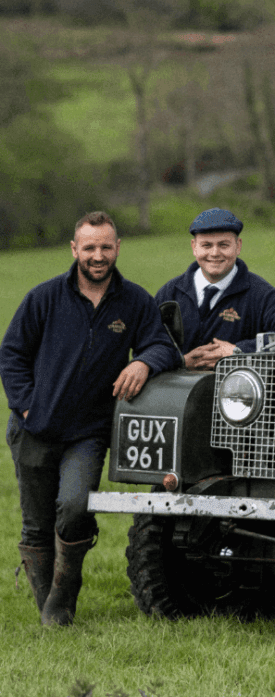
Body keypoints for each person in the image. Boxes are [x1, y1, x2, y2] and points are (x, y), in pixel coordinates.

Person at [1, 212, 176, 626]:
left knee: (76, 506)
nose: (98, 256)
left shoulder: (133, 301)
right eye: (90, 247)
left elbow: (161, 344)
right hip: (34, 429)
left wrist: (144, 363)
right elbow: (11, 354)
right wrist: (27, 405)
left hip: (89, 432)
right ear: (75, 249)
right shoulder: (44, 298)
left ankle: (63, 597)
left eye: (106, 247)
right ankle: (54, 616)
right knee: (37, 523)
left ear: (117, 248)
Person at [155, 208, 275, 370]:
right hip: (176, 393)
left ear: (238, 246)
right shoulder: (170, 293)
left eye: (223, 245)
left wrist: (240, 351)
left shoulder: (260, 293)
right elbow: (147, 345)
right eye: (206, 245)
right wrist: (181, 361)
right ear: (194, 247)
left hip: (237, 392)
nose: (215, 253)